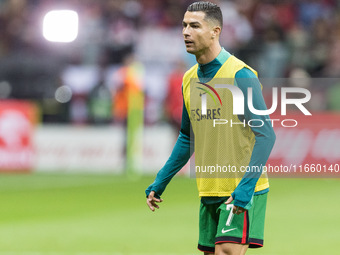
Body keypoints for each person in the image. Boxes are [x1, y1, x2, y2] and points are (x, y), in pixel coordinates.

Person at [145, 2, 276, 255]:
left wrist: (246, 188)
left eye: (195, 26)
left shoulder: (241, 75)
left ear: (215, 31)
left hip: (240, 189)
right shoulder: (189, 78)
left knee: (226, 251)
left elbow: (266, 134)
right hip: (209, 189)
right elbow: (187, 136)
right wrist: (161, 181)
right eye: (184, 25)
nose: (186, 32)